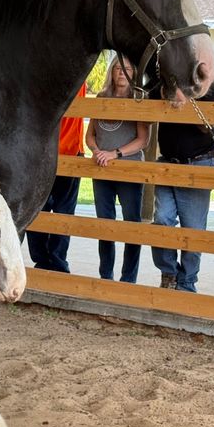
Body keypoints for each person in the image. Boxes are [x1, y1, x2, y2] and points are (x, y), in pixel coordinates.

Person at [152, 72, 214, 292]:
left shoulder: (212, 78)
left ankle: (187, 282)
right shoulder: (167, 74)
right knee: (162, 219)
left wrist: (187, 97)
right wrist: (168, 91)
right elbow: (150, 94)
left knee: (192, 229)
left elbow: (207, 122)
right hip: (167, 162)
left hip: (199, 162)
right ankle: (169, 272)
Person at [86, 56, 150, 283]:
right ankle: (106, 276)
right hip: (101, 170)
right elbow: (90, 135)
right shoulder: (101, 99)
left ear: (134, 73)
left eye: (128, 69)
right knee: (105, 224)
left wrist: (115, 154)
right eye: (117, 68)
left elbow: (143, 140)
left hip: (129, 170)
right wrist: (96, 150)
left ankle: (128, 279)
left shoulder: (139, 100)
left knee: (131, 225)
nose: (122, 72)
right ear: (111, 72)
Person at [26, 83, 86, 272]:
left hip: (68, 152)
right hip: (43, 153)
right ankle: (44, 260)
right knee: (37, 209)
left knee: (63, 210)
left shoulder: (77, 80)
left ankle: (57, 261)